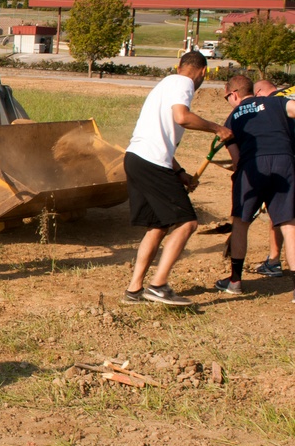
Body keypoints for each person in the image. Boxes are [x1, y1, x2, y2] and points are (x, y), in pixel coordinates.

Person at [121, 51, 233, 306]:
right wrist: (218, 128)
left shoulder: (163, 86)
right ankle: (158, 285)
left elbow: (159, 138)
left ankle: (134, 289)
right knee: (187, 223)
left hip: (136, 158)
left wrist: (180, 173)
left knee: (159, 226)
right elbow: (182, 117)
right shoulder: (183, 83)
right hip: (151, 162)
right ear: (203, 71)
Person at [214, 75, 295, 298]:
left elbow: (236, 160)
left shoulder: (231, 120)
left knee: (240, 223)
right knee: (289, 225)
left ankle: (235, 282)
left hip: (252, 164)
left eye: (226, 98)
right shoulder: (275, 101)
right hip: (284, 160)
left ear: (234, 94)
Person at [247, 79, 290, 277]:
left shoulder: (272, 104)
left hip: (284, 162)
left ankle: (274, 261)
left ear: (259, 93)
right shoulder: (289, 93)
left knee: (281, 212)